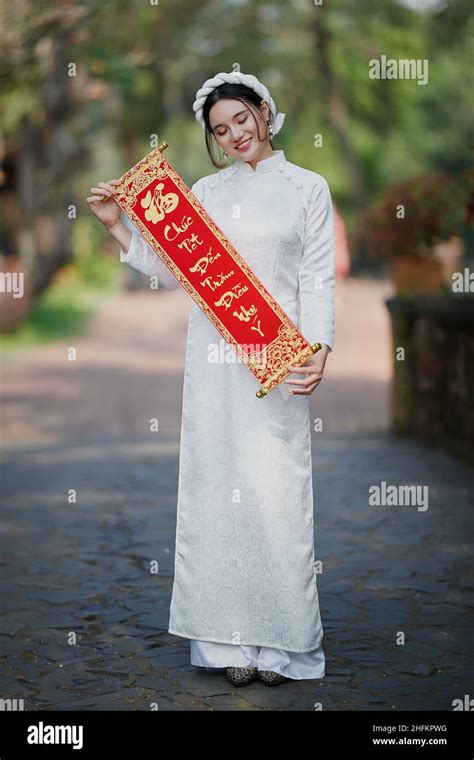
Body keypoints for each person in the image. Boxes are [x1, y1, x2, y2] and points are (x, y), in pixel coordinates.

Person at [87, 70, 335, 688]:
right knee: (215, 493)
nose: (234, 136)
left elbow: (318, 277)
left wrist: (320, 346)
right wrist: (117, 222)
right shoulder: (205, 191)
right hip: (212, 367)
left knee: (278, 497)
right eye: (220, 130)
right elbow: (176, 271)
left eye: (241, 120)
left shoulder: (308, 188)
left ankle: (280, 646)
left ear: (265, 111)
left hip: (274, 362)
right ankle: (226, 645)